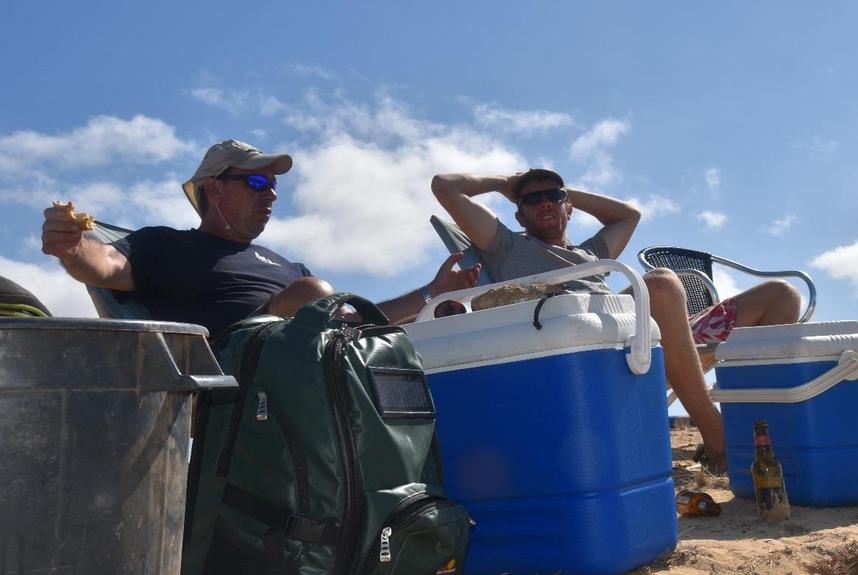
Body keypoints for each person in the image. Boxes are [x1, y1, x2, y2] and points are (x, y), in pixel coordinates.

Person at [431, 168, 800, 471]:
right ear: (518, 213)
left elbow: (629, 215)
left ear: (568, 207)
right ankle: (718, 440)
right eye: (532, 199)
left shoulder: (590, 252)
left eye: (554, 197)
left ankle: (763, 431)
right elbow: (444, 187)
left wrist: (563, 189)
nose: (545, 203)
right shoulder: (507, 245)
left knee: (781, 295)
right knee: (660, 283)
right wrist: (505, 185)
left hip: (641, 325)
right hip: (594, 336)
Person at [41, 139, 479, 339]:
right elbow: (106, 269)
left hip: (324, 360)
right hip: (248, 382)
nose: (270, 192)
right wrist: (74, 245)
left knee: (441, 335)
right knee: (312, 295)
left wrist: (430, 294)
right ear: (214, 188)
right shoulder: (168, 245)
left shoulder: (286, 266)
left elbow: (354, 317)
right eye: (255, 180)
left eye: (273, 185)